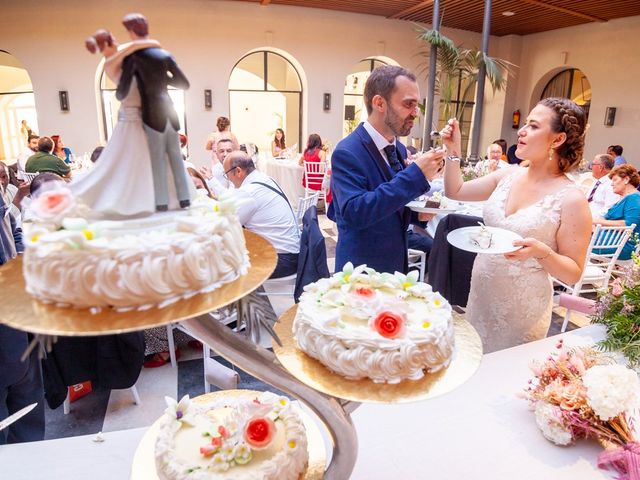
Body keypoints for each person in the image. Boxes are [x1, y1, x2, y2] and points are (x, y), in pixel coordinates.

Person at [439, 97, 591, 353]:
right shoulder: (507, 176)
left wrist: (541, 252)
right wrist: (453, 151)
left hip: (523, 310)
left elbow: (573, 272)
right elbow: (456, 190)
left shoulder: (571, 198)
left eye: (533, 126)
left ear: (558, 139)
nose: (522, 131)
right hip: (480, 296)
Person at [328, 65, 444, 274]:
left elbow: (390, 204)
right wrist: (415, 174)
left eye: (416, 105)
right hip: (361, 270)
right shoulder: (347, 152)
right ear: (379, 103)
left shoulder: (398, 148)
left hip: (394, 265)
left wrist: (417, 216)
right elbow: (355, 213)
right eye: (408, 104)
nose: (415, 113)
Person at [117, 13, 192, 212]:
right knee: (176, 157)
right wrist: (163, 80)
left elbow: (121, 91)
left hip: (151, 114)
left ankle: (161, 202)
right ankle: (185, 199)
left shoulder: (132, 59)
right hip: (170, 111)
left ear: (132, 32)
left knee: (157, 160)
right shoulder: (165, 55)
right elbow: (184, 83)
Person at [223, 151, 300, 278]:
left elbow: (229, 226)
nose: (229, 180)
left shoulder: (248, 192)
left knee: (225, 262)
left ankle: (239, 296)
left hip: (281, 260)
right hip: (292, 253)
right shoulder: (265, 179)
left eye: (227, 175)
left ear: (238, 171)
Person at [592, 164, 640, 261]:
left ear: (626, 180)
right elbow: (604, 218)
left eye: (615, 180)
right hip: (610, 240)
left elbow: (630, 224)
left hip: (621, 245)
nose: (611, 184)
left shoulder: (634, 198)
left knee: (573, 238)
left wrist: (596, 222)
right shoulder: (623, 199)